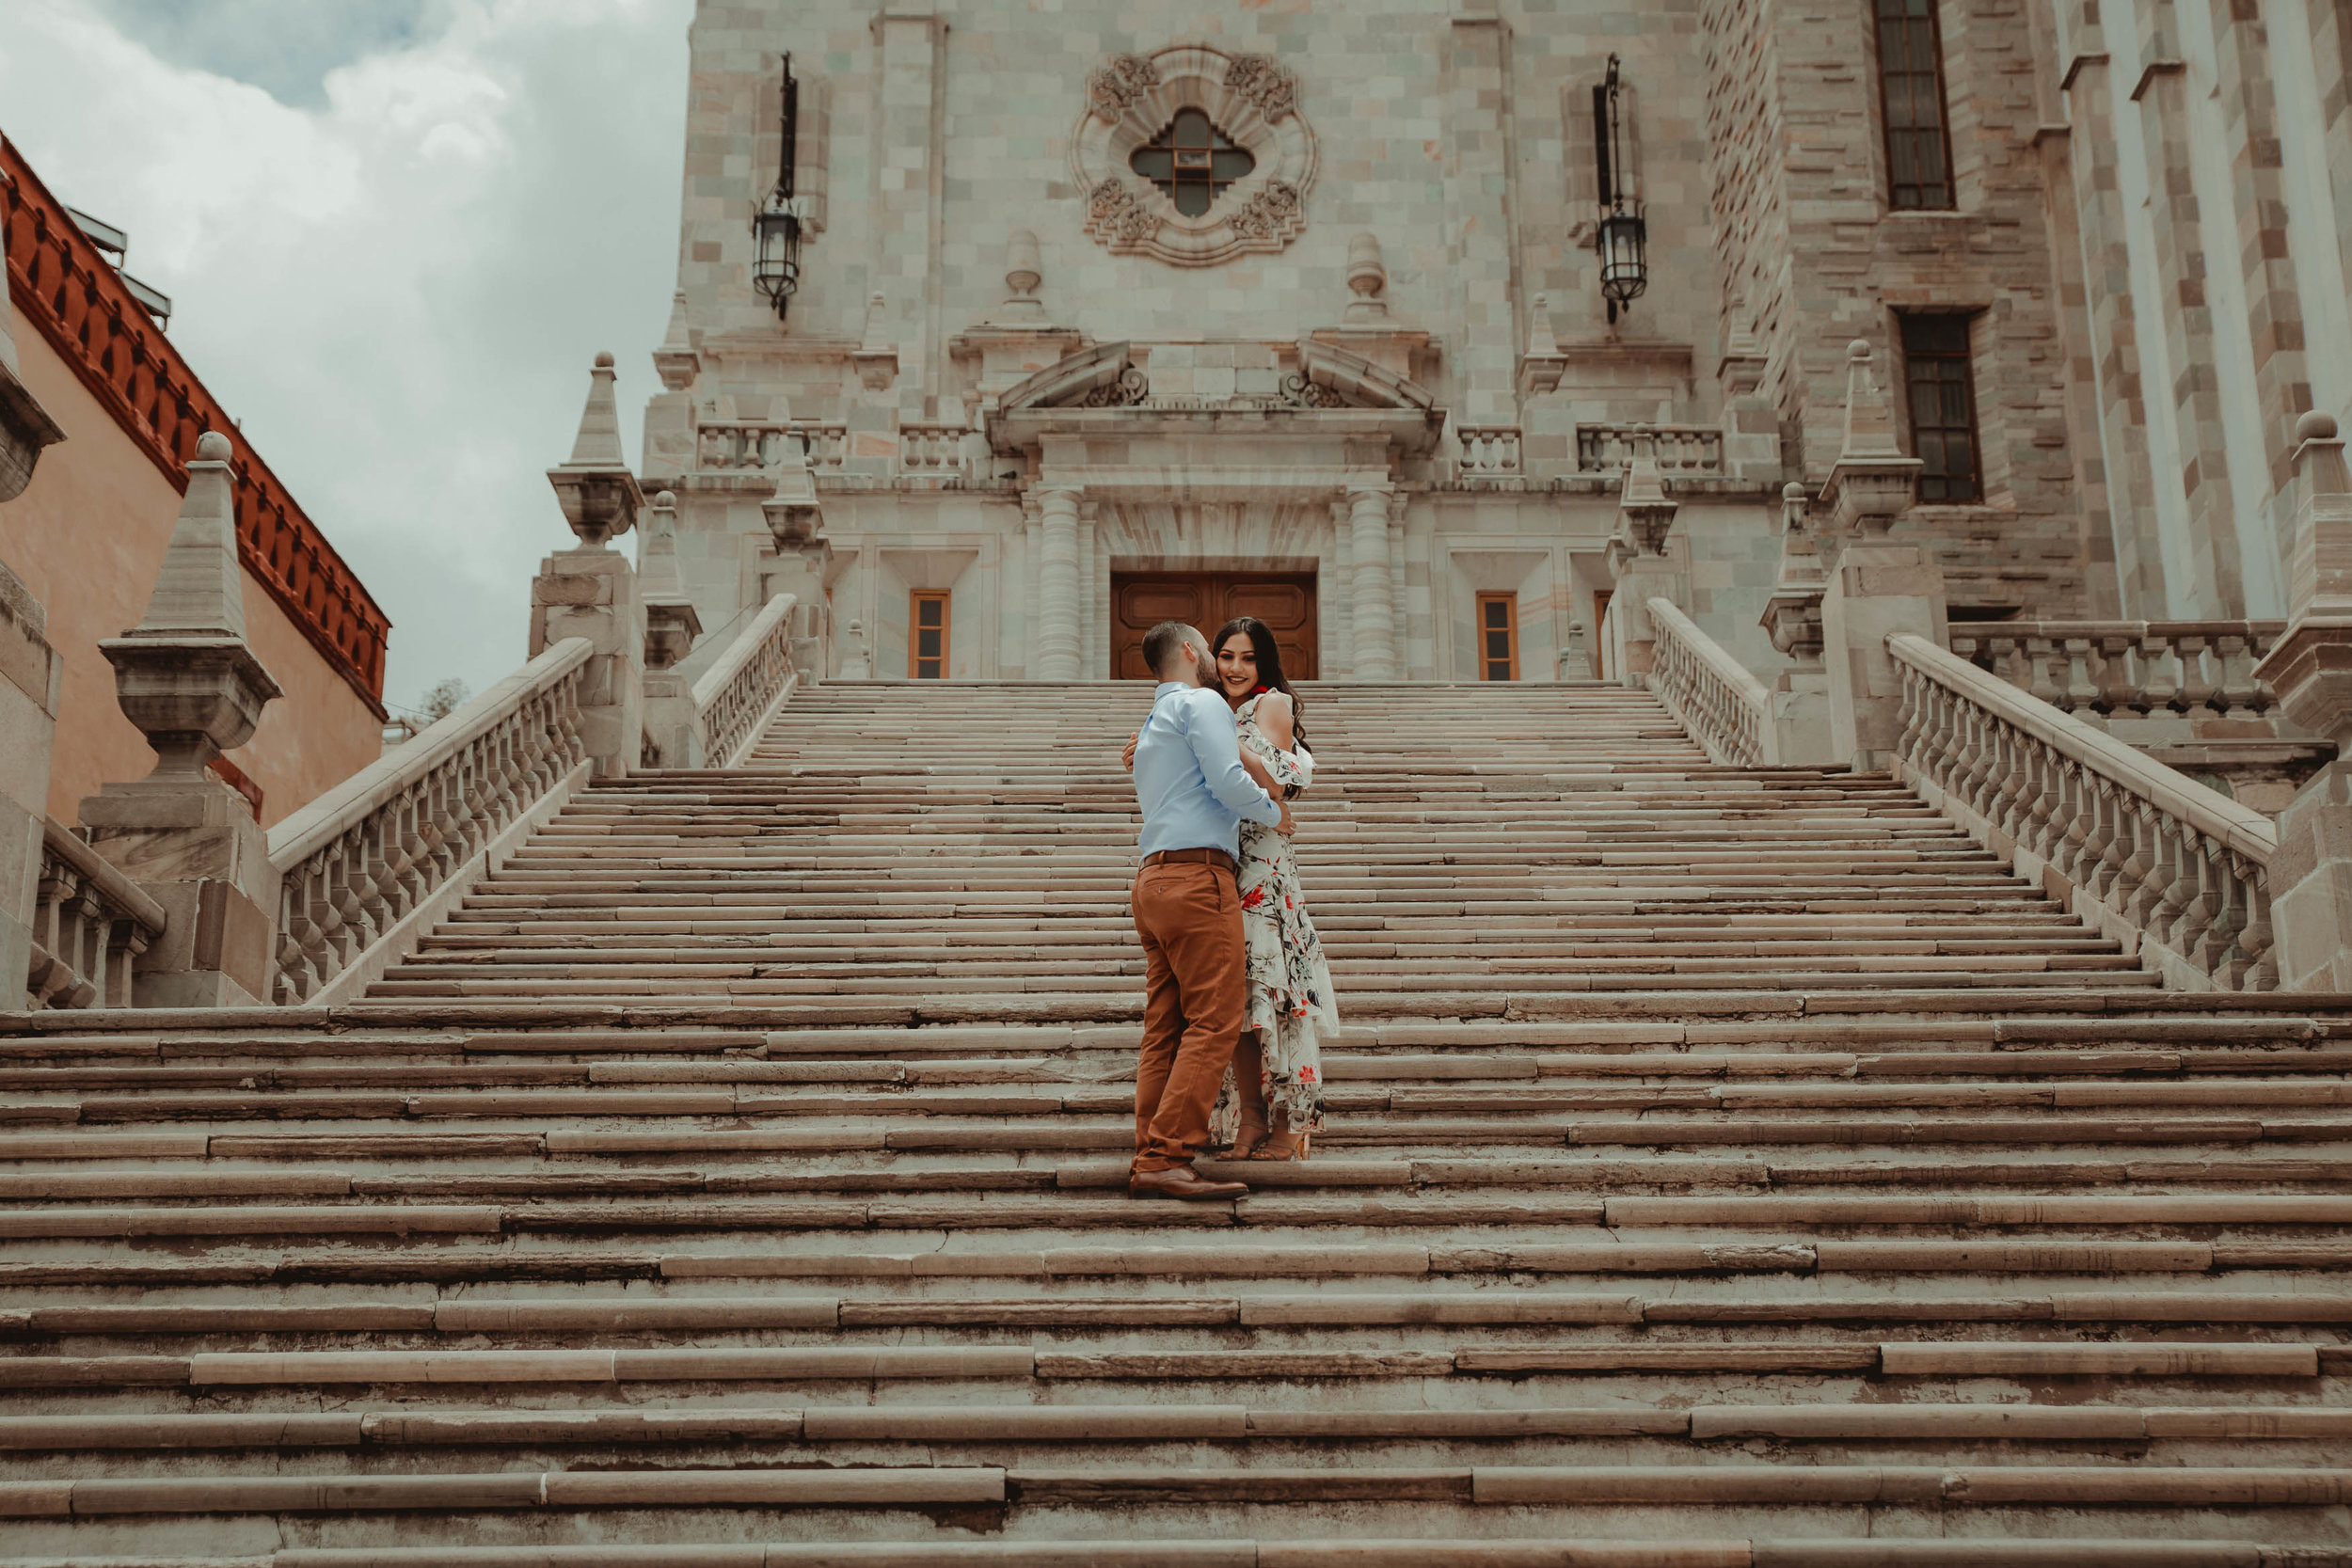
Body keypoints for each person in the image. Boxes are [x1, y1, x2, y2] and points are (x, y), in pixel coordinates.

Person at [1123, 620, 1293, 1201]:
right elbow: (1226, 779)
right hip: (1199, 878)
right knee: (1217, 1019)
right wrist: (1274, 810)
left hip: (1152, 879)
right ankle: (1167, 1155)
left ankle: (1150, 1148)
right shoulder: (1203, 703)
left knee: (1164, 1024)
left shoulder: (1153, 722)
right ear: (1194, 652)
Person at [1206, 616, 1334, 1162]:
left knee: (1279, 994)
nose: (1235, 668)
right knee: (1236, 999)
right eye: (1227, 656)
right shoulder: (1206, 707)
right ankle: (1250, 1119)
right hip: (1220, 862)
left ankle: (1289, 1119)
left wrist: (1222, 746)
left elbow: (1277, 783)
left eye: (1248, 657)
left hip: (1263, 868)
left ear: (1264, 664)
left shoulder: (1272, 704)